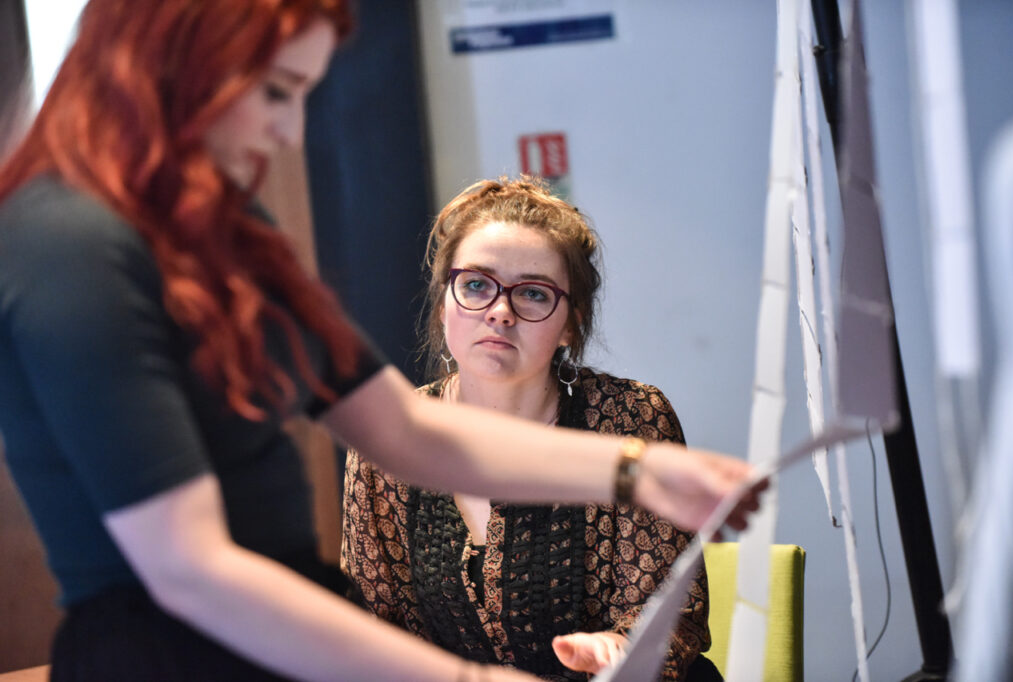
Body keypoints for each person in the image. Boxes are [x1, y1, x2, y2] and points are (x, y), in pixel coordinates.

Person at [0, 1, 762, 680]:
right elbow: (191, 570)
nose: (290, 130)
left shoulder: (222, 231)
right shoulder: (66, 243)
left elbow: (403, 427)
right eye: (275, 92)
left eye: (300, 97)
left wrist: (638, 472)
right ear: (167, 59)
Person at [341, 176, 722, 681]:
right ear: (443, 303)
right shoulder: (388, 435)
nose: (500, 312)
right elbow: (371, 627)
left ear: (569, 325)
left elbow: (670, 619)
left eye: (534, 294)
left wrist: (613, 649)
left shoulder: (631, 418)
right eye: (476, 284)